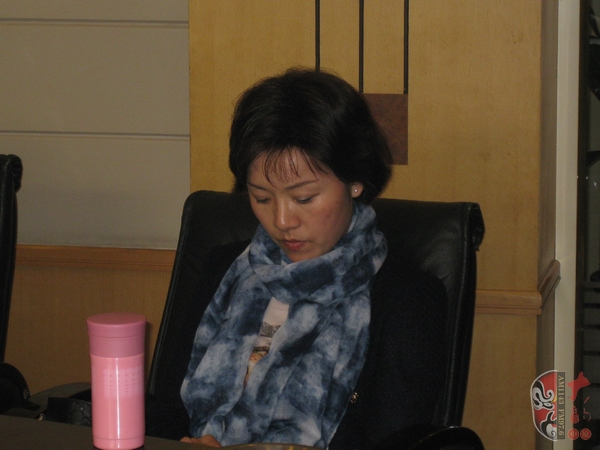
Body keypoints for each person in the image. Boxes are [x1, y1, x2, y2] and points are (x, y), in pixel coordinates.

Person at [179, 68, 394, 448]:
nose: (282, 221)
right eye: (261, 198)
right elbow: (168, 410)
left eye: (304, 198)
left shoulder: (404, 298)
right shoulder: (221, 269)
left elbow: (392, 439)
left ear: (355, 181)